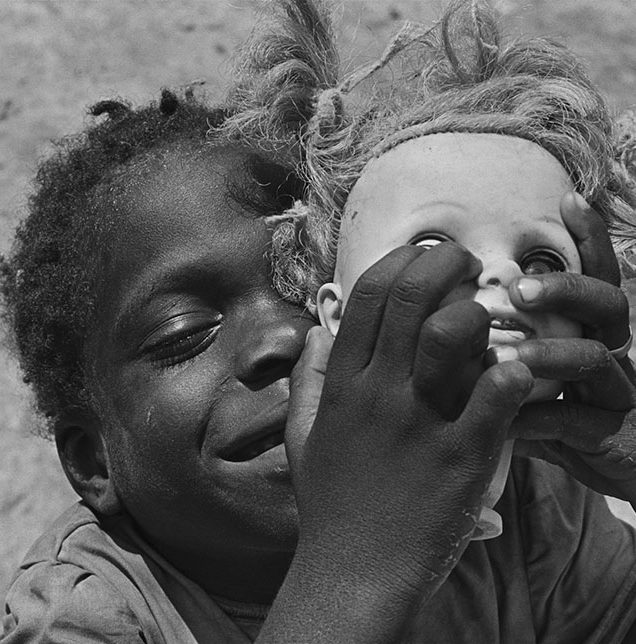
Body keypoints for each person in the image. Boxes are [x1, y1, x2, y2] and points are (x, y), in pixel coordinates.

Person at [2, 6, 636, 644]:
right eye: (186, 332)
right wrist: (360, 563)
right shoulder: (86, 614)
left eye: (305, 294)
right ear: (94, 462)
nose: (287, 339)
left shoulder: (526, 506)